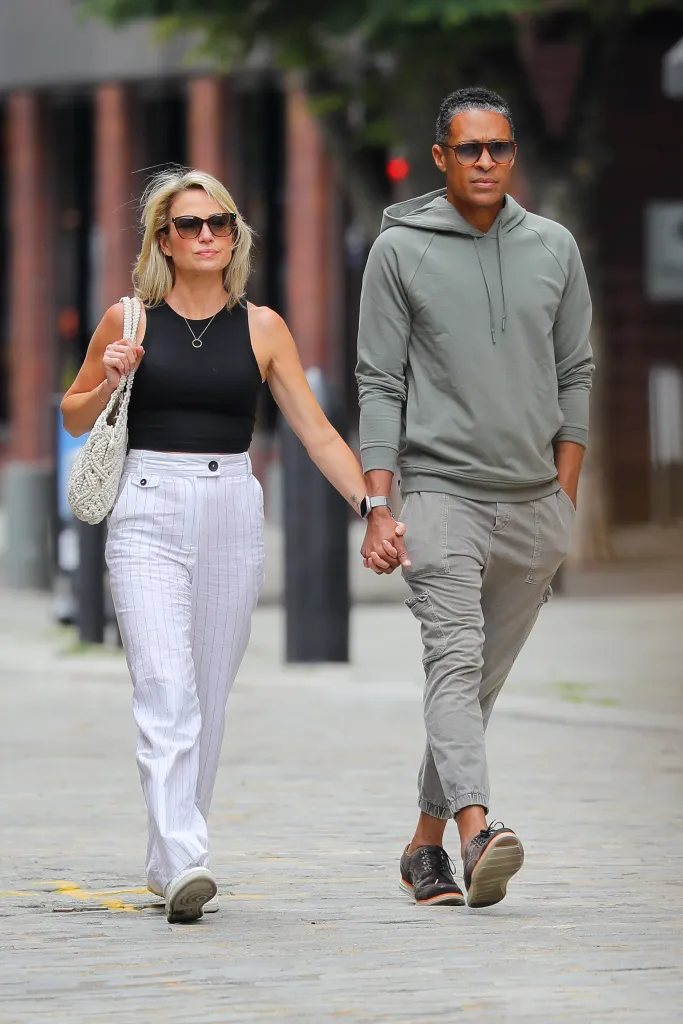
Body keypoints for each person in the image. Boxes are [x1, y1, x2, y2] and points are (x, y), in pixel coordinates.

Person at [61, 168, 397, 924]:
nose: (207, 235)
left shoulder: (264, 327)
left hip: (231, 507)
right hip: (146, 505)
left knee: (205, 697)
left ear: (235, 235)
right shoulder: (128, 320)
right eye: (189, 225)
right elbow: (75, 415)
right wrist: (109, 378)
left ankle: (170, 858)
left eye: (220, 222)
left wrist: (373, 509)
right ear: (163, 241)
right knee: (166, 690)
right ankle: (186, 857)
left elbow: (315, 432)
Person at [356, 86, 593, 908]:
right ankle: (476, 832)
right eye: (468, 149)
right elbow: (379, 382)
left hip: (534, 504)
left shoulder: (555, 247)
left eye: (497, 148)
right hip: (438, 493)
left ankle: (422, 851)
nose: (484, 162)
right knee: (453, 662)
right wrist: (378, 502)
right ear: (440, 157)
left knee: (475, 682)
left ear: (512, 154)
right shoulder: (399, 251)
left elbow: (575, 374)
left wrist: (564, 496)